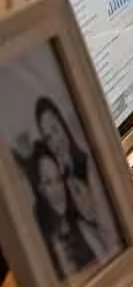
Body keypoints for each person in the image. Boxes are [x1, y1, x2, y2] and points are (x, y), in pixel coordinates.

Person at [35, 97, 119, 259]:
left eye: (55, 129)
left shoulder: (88, 163)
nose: (55, 141)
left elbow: (108, 229)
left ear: (63, 126)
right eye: (48, 138)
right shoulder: (61, 184)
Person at [25, 142, 102, 282]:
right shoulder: (43, 245)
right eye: (48, 182)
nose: (58, 190)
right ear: (40, 189)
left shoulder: (82, 226)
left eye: (58, 179)